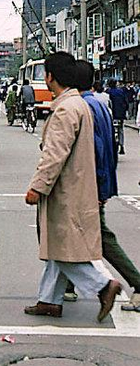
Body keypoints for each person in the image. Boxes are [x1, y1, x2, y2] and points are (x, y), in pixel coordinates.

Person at [24, 52, 120, 322]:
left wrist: (38, 187)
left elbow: (54, 154)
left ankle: (103, 286)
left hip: (65, 190)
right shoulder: (78, 104)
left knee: (64, 248)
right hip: (77, 186)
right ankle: (49, 301)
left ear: (50, 76)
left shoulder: (65, 109)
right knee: (59, 245)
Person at [61, 61, 140, 312]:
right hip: (99, 181)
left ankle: (135, 283)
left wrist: (97, 186)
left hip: (90, 184)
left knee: (98, 237)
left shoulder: (83, 107)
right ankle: (66, 288)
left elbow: (95, 150)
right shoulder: (98, 103)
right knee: (71, 234)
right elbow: (111, 148)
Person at [107, 79, 128, 155]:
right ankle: (122, 146)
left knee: (111, 130)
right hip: (120, 114)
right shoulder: (121, 91)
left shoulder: (108, 92)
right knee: (121, 130)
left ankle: (112, 146)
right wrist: (125, 110)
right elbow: (126, 101)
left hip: (112, 114)